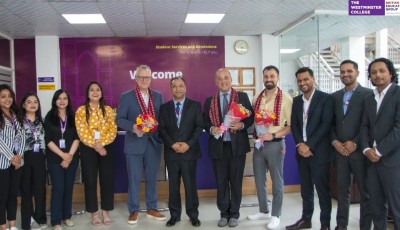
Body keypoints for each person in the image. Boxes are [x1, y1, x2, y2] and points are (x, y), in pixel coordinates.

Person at [203, 68, 254, 227]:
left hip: (237, 147)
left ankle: (235, 214)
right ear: (215, 82)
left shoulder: (242, 97)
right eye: (219, 78)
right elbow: (205, 122)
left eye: (226, 78)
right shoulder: (209, 100)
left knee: (236, 181)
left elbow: (251, 118)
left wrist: (241, 125)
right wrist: (211, 129)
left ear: (231, 79)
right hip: (218, 147)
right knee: (221, 182)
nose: (223, 81)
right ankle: (224, 213)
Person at [116, 64, 165, 224]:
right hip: (134, 143)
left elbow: (162, 118)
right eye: (141, 77)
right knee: (134, 179)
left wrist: (158, 123)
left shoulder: (158, 96)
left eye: (147, 77)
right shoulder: (127, 96)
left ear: (151, 79)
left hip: (153, 144)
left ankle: (151, 208)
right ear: (136, 78)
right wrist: (133, 127)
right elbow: (120, 119)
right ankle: (134, 210)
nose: (144, 79)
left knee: (152, 178)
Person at [286, 67, 334, 230]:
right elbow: (295, 124)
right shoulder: (297, 101)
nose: (303, 83)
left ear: (312, 79)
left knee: (322, 191)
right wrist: (300, 144)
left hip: (318, 152)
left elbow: (326, 124)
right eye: (299, 80)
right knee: (306, 190)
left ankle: (325, 224)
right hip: (302, 152)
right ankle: (306, 219)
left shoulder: (326, 99)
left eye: (306, 79)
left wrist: (309, 145)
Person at [247, 65, 292, 230]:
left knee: (277, 181)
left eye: (272, 76)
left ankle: (276, 215)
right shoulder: (256, 98)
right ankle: (263, 210)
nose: (269, 79)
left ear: (277, 77)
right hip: (259, 145)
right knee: (259, 180)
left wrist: (273, 135)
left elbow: (291, 126)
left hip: (275, 144)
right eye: (266, 76)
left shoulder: (286, 99)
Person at [331, 60, 372, 230]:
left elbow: (369, 123)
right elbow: (330, 123)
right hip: (340, 152)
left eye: (349, 71)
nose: (345, 74)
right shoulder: (334, 97)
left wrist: (355, 142)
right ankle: (341, 225)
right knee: (342, 192)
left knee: (366, 193)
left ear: (357, 73)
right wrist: (335, 142)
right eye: (342, 72)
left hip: (360, 153)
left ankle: (364, 226)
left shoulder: (368, 94)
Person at [360, 57, 400, 229]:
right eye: (374, 72)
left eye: (382, 71)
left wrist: (379, 150)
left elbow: (399, 128)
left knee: (397, 207)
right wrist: (367, 149)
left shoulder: (398, 94)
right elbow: (364, 127)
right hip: (371, 161)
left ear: (391, 73)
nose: (378, 75)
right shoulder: (370, 98)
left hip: (393, 161)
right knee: (376, 207)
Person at [158, 77, 203, 227]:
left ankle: (193, 215)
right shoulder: (164, 108)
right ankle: (175, 215)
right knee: (173, 186)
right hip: (172, 153)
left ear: (185, 88)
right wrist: (171, 144)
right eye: (175, 86)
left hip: (189, 153)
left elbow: (198, 127)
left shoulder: (195, 106)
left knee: (191, 186)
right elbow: (162, 129)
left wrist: (188, 144)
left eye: (181, 86)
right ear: (171, 89)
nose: (178, 89)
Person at [75, 82, 117, 226]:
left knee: (107, 180)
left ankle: (106, 211)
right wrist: (96, 146)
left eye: (98, 90)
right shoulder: (81, 110)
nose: (95, 92)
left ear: (101, 93)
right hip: (88, 148)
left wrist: (102, 144)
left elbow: (113, 130)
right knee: (91, 180)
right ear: (87, 93)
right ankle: (94, 213)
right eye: (91, 90)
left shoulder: (108, 110)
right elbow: (82, 132)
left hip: (106, 148)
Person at [44, 89, 80, 230]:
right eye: (59, 98)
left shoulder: (73, 116)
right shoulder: (49, 116)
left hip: (71, 158)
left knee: (68, 188)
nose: (62, 100)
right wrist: (62, 155)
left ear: (68, 100)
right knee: (58, 188)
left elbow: (78, 137)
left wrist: (69, 156)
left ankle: (66, 216)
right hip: (55, 159)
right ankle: (56, 221)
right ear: (55, 100)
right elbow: (48, 140)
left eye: (65, 98)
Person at [20, 93, 47, 230]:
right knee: (26, 191)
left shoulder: (42, 120)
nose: (32, 104)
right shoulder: (19, 121)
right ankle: (27, 221)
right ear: (24, 104)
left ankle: (41, 218)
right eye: (29, 102)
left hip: (40, 158)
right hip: (25, 157)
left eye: (35, 102)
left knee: (40, 190)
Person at [0, 84, 25, 230]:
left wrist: (19, 156)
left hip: (17, 163)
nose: (7, 99)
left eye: (9, 96)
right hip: (3, 162)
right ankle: (3, 226)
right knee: (2, 196)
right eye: (3, 97)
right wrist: (11, 157)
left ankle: (12, 225)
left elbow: (21, 137)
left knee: (13, 195)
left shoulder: (16, 115)